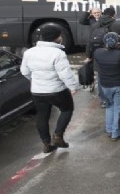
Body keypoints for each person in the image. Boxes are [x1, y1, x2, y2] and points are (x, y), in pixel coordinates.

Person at [21, 25, 80, 153]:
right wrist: (73, 87)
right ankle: (58, 135)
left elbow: (24, 71)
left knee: (42, 116)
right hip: (57, 90)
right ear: (57, 37)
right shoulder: (58, 53)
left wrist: (35, 80)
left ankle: (46, 144)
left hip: (37, 91)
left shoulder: (29, 52)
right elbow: (65, 73)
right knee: (67, 109)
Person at [93, 32, 120, 141]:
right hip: (119, 85)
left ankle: (109, 129)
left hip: (105, 85)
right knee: (118, 109)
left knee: (109, 107)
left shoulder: (98, 53)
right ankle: (116, 133)